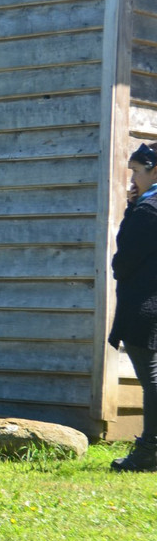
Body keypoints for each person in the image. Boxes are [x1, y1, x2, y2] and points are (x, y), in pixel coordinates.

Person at [108, 142, 157, 472]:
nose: (132, 178)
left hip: (144, 307)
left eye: (137, 171)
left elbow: (124, 262)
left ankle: (148, 451)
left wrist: (131, 207)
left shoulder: (146, 210)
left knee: (151, 379)